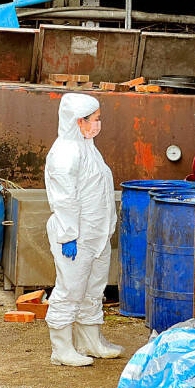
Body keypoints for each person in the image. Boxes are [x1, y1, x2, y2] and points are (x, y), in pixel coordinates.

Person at [44, 93, 123, 366]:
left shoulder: (88, 146)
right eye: (96, 119)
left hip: (96, 235)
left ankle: (91, 341)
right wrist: (68, 236)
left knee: (93, 289)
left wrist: (106, 227)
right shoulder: (65, 153)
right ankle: (62, 349)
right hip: (76, 236)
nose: (98, 124)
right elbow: (64, 198)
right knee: (70, 291)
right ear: (79, 121)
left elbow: (97, 191)